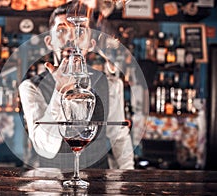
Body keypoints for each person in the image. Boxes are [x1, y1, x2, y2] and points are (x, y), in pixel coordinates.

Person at [19, 2, 134, 169]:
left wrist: (129, 177)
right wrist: (60, 91)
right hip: (51, 187)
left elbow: (119, 137)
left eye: (80, 32)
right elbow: (46, 148)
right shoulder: (30, 87)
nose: (71, 39)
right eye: (61, 30)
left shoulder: (111, 85)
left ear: (91, 45)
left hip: (98, 183)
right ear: (49, 42)